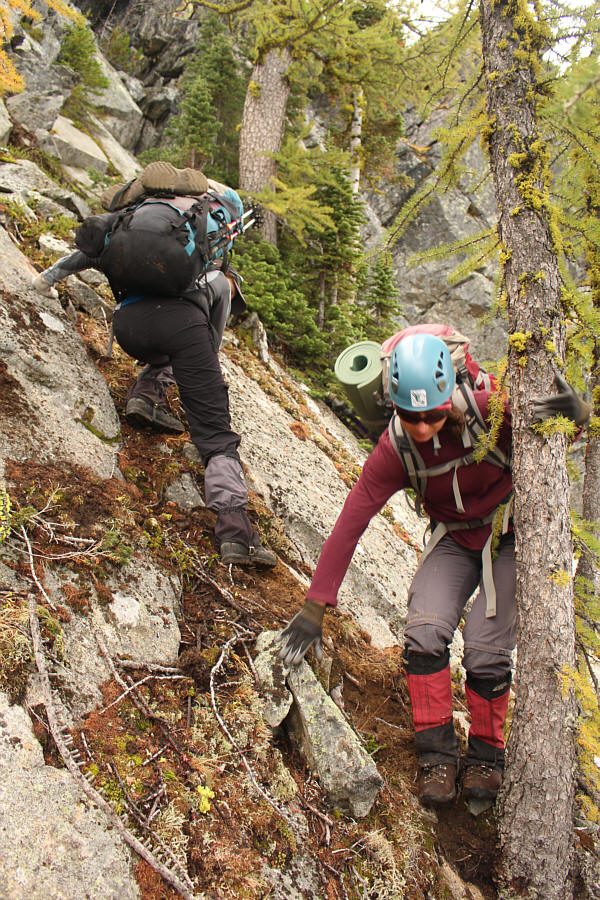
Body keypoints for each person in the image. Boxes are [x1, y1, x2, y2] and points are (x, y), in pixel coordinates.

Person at [278, 331, 589, 805]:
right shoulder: (396, 448)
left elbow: (558, 427)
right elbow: (352, 520)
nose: (422, 428)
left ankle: (487, 758)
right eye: (411, 416)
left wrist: (580, 415)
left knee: (486, 648)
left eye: (433, 416)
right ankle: (437, 757)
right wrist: (316, 603)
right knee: (424, 630)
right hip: (455, 539)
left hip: (510, 539)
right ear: (395, 407)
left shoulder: (493, 410)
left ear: (449, 400)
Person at [32, 166, 277, 570]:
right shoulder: (215, 277)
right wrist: (202, 373)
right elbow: (209, 343)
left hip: (127, 327)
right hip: (181, 330)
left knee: (166, 352)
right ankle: (236, 533)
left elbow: (85, 254)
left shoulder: (132, 224)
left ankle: (145, 396)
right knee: (217, 437)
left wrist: (46, 279)